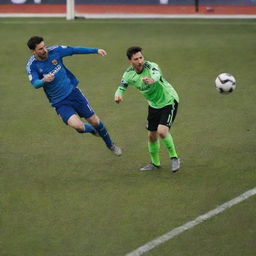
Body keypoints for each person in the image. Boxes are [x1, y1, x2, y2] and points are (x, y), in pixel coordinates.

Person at [26, 36, 121, 156]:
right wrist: (44, 80)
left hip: (73, 93)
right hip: (59, 102)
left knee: (95, 120)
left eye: (44, 46)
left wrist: (95, 50)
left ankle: (110, 145)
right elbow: (35, 83)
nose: (44, 50)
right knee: (79, 127)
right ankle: (92, 130)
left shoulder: (55, 51)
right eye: (40, 49)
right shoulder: (32, 65)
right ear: (33, 51)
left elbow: (74, 50)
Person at [115, 46, 180, 171]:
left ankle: (174, 157)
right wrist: (118, 95)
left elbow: (156, 74)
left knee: (162, 131)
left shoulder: (151, 66)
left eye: (141, 58)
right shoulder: (128, 74)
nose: (140, 61)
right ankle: (155, 164)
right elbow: (121, 87)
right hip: (154, 105)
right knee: (151, 135)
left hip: (169, 100)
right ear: (130, 61)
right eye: (136, 59)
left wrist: (151, 80)